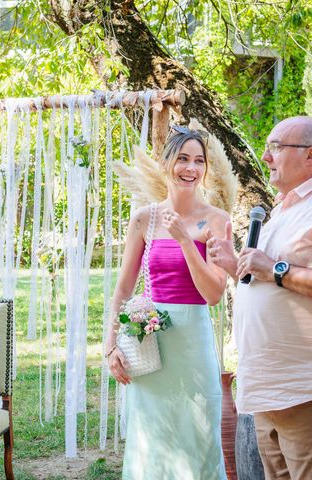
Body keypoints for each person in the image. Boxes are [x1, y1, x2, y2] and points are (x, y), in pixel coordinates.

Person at [206, 116, 312, 480]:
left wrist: (274, 268)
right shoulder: (283, 209)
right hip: (269, 391)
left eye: (276, 147)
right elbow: (273, 282)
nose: (266, 157)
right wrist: (237, 267)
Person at [106, 126, 230, 479]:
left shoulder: (217, 221)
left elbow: (214, 294)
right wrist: (111, 345)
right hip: (150, 344)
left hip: (193, 342)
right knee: (152, 439)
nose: (190, 168)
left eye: (198, 161)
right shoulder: (145, 218)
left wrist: (186, 242)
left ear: (205, 169)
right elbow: (124, 288)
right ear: (166, 164)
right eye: (182, 159)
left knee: (199, 437)